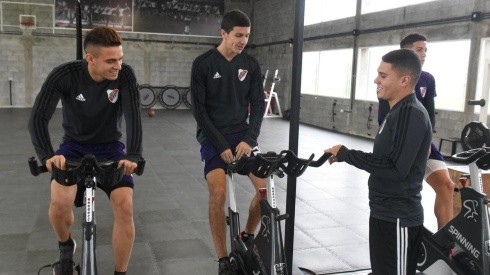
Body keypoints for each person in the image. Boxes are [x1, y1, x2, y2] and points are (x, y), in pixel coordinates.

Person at [28, 26, 143, 275]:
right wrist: (47, 156)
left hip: (112, 150)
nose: (118, 66)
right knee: (60, 203)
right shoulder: (65, 75)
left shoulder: (125, 77)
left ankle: (120, 272)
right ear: (90, 59)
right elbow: (37, 118)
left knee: (125, 206)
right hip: (72, 149)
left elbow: (134, 118)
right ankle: (66, 246)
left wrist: (133, 155)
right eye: (111, 61)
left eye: (120, 59)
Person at [325, 49, 431, 275]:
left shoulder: (410, 114)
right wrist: (346, 154)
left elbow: (394, 168)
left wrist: (347, 154)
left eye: (383, 76)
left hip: (399, 218)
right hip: (384, 213)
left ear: (404, 80)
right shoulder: (396, 112)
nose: (376, 80)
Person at [190, 9, 265, 275]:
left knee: (265, 192)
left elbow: (258, 105)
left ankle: (246, 236)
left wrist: (249, 138)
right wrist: (221, 145)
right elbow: (199, 111)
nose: (243, 40)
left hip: (242, 137)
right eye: (238, 35)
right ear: (223, 33)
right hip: (212, 137)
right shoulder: (203, 64)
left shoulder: (251, 65)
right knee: (218, 194)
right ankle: (223, 259)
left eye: (246, 35)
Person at [378, 33, 454, 229]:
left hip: (423, 141)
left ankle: (446, 243)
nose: (424, 54)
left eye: (425, 50)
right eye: (419, 50)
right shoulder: (390, 79)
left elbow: (430, 114)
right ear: (406, 53)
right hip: (400, 143)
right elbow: (384, 119)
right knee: (405, 191)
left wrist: (426, 142)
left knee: (446, 186)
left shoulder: (428, 79)